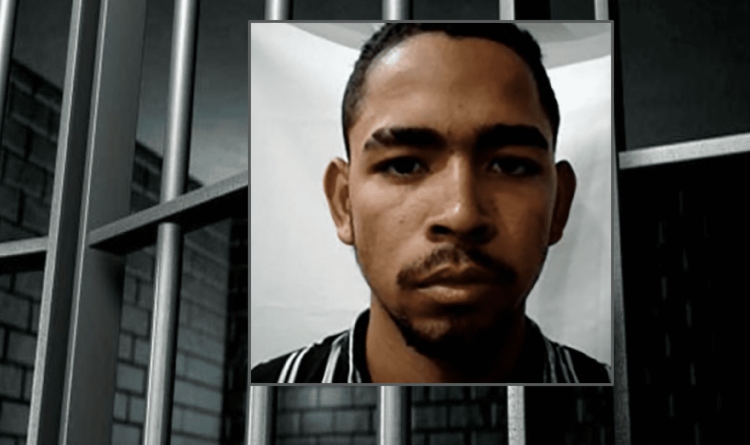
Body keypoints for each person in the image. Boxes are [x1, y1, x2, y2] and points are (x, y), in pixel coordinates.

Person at [252, 23, 611, 383]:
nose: (462, 215)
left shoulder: (627, 401)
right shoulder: (260, 398)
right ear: (344, 204)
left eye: (509, 165)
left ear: (559, 204)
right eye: (404, 166)